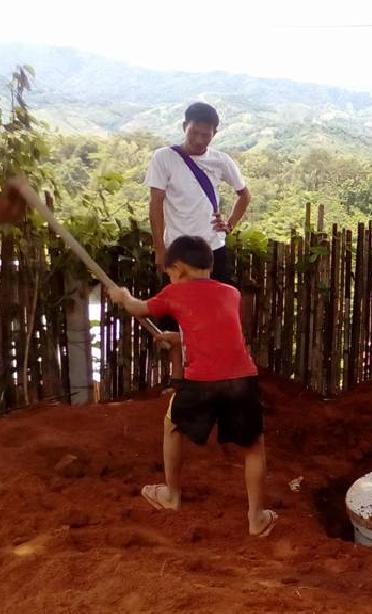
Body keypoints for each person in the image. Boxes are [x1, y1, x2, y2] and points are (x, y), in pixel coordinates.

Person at [108, 236, 277, 538]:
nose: (170, 279)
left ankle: (171, 495)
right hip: (242, 379)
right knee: (253, 446)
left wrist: (122, 296)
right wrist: (180, 338)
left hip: (201, 381)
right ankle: (256, 518)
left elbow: (138, 308)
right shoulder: (231, 293)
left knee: (172, 426)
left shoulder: (175, 291)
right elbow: (215, 333)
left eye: (170, 273)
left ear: (179, 268)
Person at [145, 102, 251, 377]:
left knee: (219, 314)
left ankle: (217, 374)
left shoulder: (221, 160)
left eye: (206, 135)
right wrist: (160, 249)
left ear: (215, 133)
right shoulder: (164, 158)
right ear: (184, 127)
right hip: (178, 253)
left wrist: (229, 224)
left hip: (214, 249)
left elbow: (244, 195)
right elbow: (155, 204)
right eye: (194, 133)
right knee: (175, 314)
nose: (200, 140)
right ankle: (179, 378)